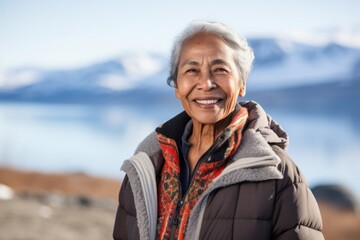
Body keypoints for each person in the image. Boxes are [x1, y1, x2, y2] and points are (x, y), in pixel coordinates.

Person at [113, 20, 324, 240]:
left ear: (242, 83)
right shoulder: (145, 164)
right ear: (177, 86)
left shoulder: (279, 174)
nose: (206, 83)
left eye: (220, 69)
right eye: (192, 70)